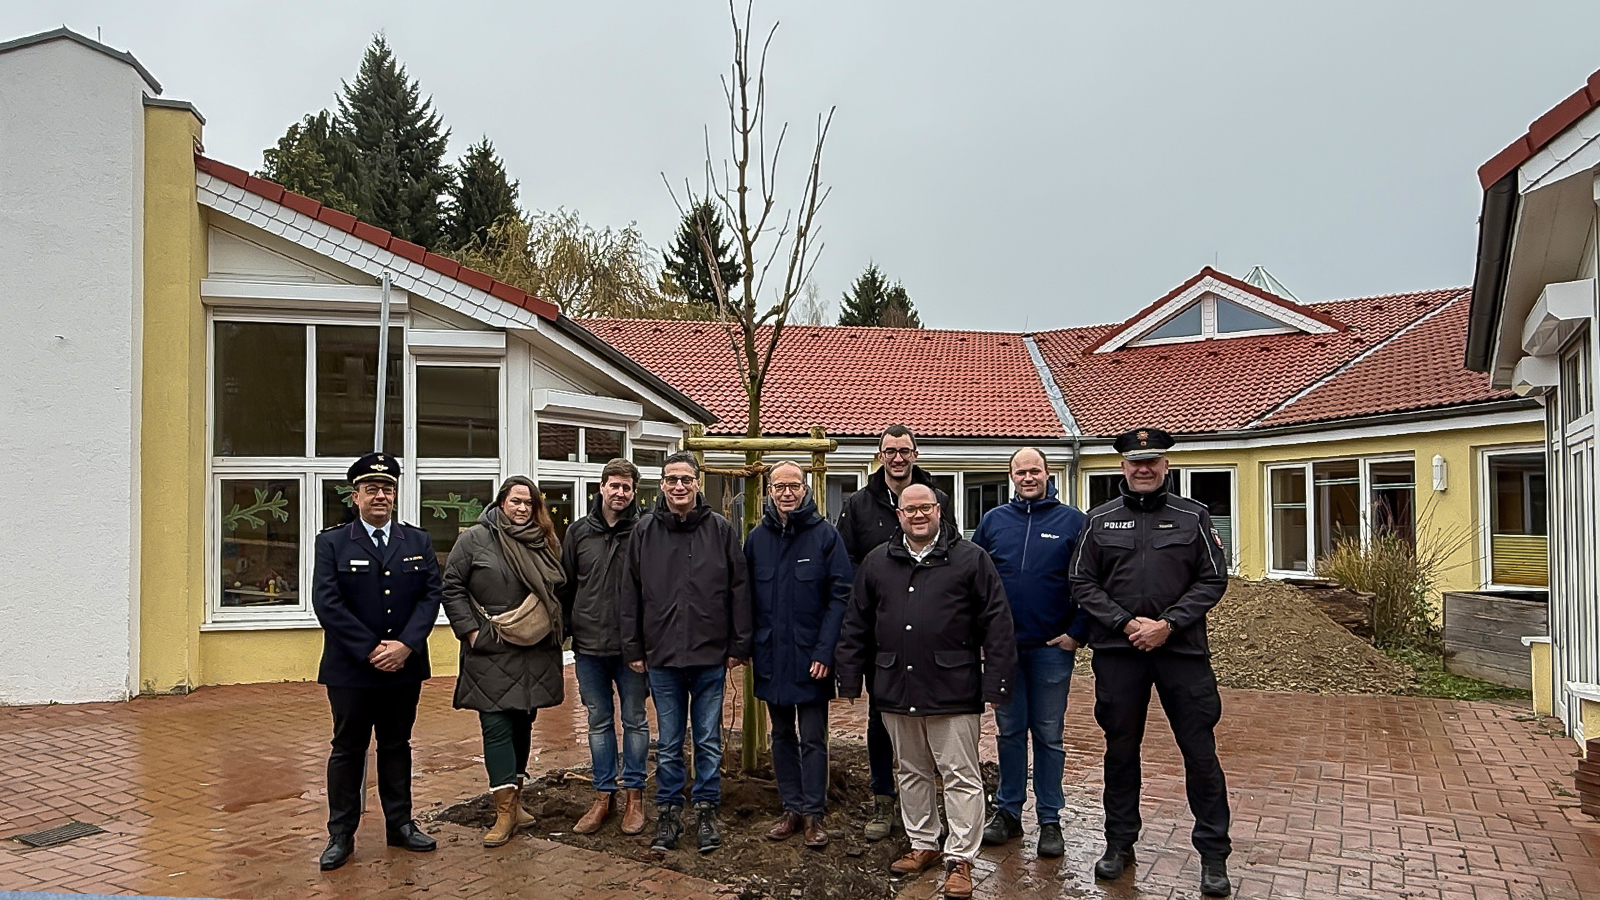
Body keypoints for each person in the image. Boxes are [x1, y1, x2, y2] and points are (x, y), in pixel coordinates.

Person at [1069, 428, 1233, 897]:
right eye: (1136, 462)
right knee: (1120, 752)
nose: (1144, 469)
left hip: (1181, 653)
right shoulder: (1100, 520)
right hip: (1120, 654)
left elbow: (1212, 579)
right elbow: (1082, 582)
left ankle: (1213, 855)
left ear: (1165, 466)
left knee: (1200, 754)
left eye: (1152, 461)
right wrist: (1125, 624)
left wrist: (1168, 624)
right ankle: (1119, 844)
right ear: (1123, 467)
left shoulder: (1193, 515)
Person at [836, 484, 1017, 900]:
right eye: (909, 509)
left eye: (925, 508)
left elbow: (998, 623)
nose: (918, 515)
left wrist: (997, 682)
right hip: (894, 685)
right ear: (898, 515)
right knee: (911, 770)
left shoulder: (971, 559)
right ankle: (923, 843)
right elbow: (856, 623)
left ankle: (960, 859)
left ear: (939, 510)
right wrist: (849, 677)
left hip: (952, 685)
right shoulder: (877, 561)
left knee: (960, 774)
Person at [311, 452, 441, 871]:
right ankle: (341, 834)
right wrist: (371, 648)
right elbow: (327, 603)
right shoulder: (332, 542)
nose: (380, 495)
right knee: (348, 749)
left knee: (396, 745)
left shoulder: (417, 540)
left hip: (403, 667)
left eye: (387, 489)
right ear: (356, 497)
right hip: (351, 668)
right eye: (372, 489)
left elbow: (429, 596)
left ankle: (400, 825)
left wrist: (404, 645)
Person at [619, 451, 751, 854]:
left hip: (710, 655)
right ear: (661, 485)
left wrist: (738, 644)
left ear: (697, 484)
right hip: (662, 656)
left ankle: (707, 810)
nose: (679, 486)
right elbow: (631, 592)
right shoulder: (644, 531)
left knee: (709, 739)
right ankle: (670, 813)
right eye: (671, 479)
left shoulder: (720, 530)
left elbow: (739, 589)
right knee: (671, 741)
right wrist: (634, 647)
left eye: (686, 479)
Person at [835, 424, 953, 841]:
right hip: (880, 633)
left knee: (932, 718)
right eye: (890, 451)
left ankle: (923, 803)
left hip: (928, 635)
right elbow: (845, 562)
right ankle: (884, 799)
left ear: (915, 454)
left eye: (905, 450)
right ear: (880, 455)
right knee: (881, 718)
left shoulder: (936, 499)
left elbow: (950, 556)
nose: (898, 458)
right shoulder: (859, 505)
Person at [972, 447, 1088, 859]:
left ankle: (1050, 819)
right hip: (1004, 650)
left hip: (1051, 649)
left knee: (1049, 734)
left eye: (1034, 470)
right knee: (1008, 732)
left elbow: (1090, 582)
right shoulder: (993, 522)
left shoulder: (1073, 522)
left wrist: (1077, 633)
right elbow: (975, 582)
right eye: (1020, 471)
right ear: (1011, 476)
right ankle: (1008, 812)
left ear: (1048, 473)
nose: (1027, 477)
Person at [441, 476, 567, 848]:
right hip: (491, 646)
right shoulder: (475, 539)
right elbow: (451, 586)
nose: (523, 508)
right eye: (516, 501)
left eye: (529, 503)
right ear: (501, 502)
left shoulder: (546, 541)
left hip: (535, 646)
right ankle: (503, 812)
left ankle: (517, 802)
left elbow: (560, 587)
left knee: (523, 721)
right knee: (496, 725)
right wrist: (471, 632)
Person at [744, 461, 852, 849]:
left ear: (806, 489)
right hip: (772, 656)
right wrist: (750, 647)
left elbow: (841, 596)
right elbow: (746, 600)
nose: (786, 493)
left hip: (812, 659)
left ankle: (814, 815)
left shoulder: (825, 536)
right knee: (782, 736)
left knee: (813, 738)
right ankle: (790, 808)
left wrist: (826, 650)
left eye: (794, 486)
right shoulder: (757, 539)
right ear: (769, 491)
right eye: (779, 486)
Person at [558, 458, 649, 837]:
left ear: (634, 492)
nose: (620, 493)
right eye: (614, 485)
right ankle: (602, 795)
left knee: (635, 721)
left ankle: (635, 796)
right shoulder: (579, 532)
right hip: (590, 647)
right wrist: (563, 632)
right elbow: (566, 587)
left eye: (627, 487)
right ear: (601, 487)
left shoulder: (646, 531)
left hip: (632, 650)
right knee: (597, 722)